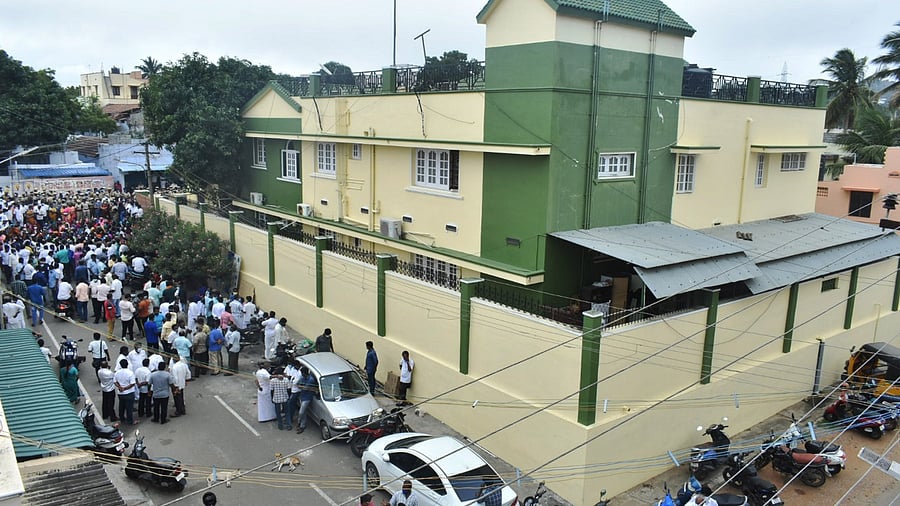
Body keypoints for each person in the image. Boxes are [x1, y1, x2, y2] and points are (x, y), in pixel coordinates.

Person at [114, 358, 137, 425]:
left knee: (121, 406)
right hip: (129, 393)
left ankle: (122, 418)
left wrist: (119, 387)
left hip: (120, 393)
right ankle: (130, 421)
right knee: (129, 408)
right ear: (127, 364)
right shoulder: (130, 373)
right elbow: (132, 383)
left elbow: (115, 382)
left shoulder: (117, 372)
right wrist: (125, 388)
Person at [295, 366, 316, 434]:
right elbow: (297, 384)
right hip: (302, 396)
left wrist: (301, 386)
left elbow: (305, 388)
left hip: (307, 397)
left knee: (301, 412)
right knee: (303, 412)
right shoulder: (303, 378)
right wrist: (301, 386)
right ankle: (302, 425)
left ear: (304, 373)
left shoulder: (311, 380)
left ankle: (299, 422)